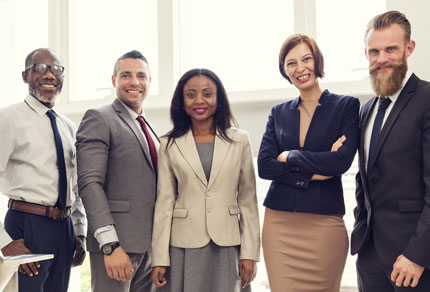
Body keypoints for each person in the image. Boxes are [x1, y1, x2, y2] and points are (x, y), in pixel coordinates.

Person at [258, 34, 360, 292]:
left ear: (317, 61)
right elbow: (265, 166)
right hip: (279, 225)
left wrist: (290, 156)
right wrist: (315, 172)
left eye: (306, 59)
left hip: (324, 226)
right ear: (285, 70)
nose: (300, 68)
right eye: (291, 63)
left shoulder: (346, 106)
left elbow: (340, 162)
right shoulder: (278, 113)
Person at [150, 68, 260, 292]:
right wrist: (159, 257)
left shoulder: (240, 140)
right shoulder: (169, 144)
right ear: (182, 101)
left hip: (228, 245)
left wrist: (250, 253)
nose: (199, 100)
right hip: (183, 245)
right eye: (191, 94)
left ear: (218, 98)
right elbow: (164, 202)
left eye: (207, 94)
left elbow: (248, 201)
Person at [351, 10, 430, 291]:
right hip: (369, 257)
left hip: (412, 262)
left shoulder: (427, 99)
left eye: (390, 49)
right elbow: (364, 177)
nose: (381, 59)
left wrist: (418, 255)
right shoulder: (366, 109)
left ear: (409, 49)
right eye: (374, 51)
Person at [0, 48, 86, 292]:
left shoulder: (68, 126)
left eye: (56, 69)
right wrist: (3, 242)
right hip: (27, 226)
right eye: (40, 68)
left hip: (64, 230)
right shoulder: (7, 119)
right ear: (25, 76)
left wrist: (79, 232)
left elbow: (74, 186)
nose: (49, 74)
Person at [76, 50, 158, 292]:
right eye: (126, 75)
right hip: (116, 248)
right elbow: (89, 184)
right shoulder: (99, 118)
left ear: (149, 82)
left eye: (141, 76)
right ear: (114, 81)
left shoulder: (150, 130)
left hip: (150, 251)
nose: (134, 82)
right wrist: (109, 245)